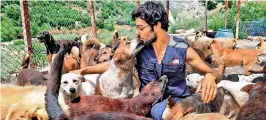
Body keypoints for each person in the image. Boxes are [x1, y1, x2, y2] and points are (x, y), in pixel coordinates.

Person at [71, 1, 220, 120]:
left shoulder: (181, 49)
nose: (137, 33)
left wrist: (210, 76)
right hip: (148, 103)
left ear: (157, 25)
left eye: (141, 28)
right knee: (158, 111)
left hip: (178, 101)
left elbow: (213, 72)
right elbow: (114, 64)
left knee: (206, 101)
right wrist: (83, 70)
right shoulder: (140, 50)